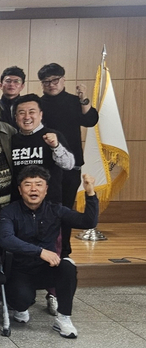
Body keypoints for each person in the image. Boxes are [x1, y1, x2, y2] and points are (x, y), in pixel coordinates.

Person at [0, 166, 98, 338]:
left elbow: (88, 222)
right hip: (20, 270)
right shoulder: (9, 211)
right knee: (21, 300)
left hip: (47, 268)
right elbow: (6, 239)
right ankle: (21, 307)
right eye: (28, 184)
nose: (33, 189)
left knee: (67, 267)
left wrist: (90, 193)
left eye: (39, 184)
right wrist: (40, 252)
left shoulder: (55, 209)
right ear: (20, 190)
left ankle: (64, 318)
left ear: (46, 189)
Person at [38, 63, 99, 259]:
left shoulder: (74, 101)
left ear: (63, 79)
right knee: (44, 209)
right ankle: (46, 249)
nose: (51, 84)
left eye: (55, 80)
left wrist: (84, 99)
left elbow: (90, 120)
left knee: (65, 209)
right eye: (46, 82)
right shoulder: (39, 104)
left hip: (71, 166)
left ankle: (64, 251)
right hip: (47, 166)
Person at [10, 94, 74, 205]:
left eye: (32, 112)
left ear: (40, 115)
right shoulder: (12, 140)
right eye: (21, 113)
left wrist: (56, 146)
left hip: (50, 204)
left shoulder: (53, 135)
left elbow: (69, 165)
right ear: (16, 117)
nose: (27, 117)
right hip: (19, 205)